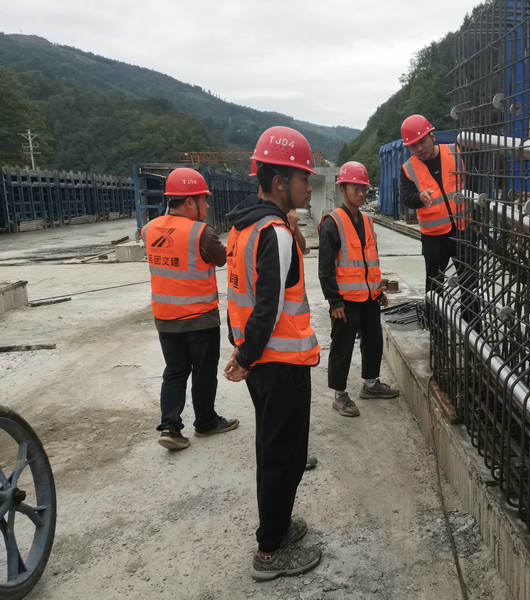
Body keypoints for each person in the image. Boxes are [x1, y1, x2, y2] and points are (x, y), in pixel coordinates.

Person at [223, 126, 322, 581]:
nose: (309, 186)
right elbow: (268, 306)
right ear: (280, 181)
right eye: (304, 177)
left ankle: (277, 526)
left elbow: (236, 297)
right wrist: (246, 356)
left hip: (263, 362)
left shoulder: (242, 226)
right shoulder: (276, 233)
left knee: (272, 449)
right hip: (279, 362)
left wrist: (243, 352)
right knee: (285, 455)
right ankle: (269, 551)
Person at [140, 167, 239, 451]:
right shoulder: (201, 233)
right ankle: (205, 422)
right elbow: (222, 258)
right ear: (189, 201)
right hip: (200, 319)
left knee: (174, 371)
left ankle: (170, 427)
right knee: (203, 372)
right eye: (203, 200)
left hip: (165, 319)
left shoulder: (149, 229)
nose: (207, 206)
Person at [318, 161, 399, 417]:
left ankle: (371, 384)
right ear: (342, 189)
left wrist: (378, 290)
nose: (361, 193)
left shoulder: (367, 221)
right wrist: (334, 301)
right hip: (345, 301)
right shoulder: (332, 223)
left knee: (373, 341)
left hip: (369, 297)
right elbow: (325, 269)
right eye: (356, 188)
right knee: (342, 347)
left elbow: (370, 262)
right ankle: (339, 395)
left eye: (364, 188)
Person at [399, 114, 480, 325]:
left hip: (463, 230)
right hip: (434, 238)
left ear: (432, 136)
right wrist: (419, 197)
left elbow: (474, 183)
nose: (418, 149)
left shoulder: (456, 152)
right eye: (413, 146)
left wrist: (477, 217)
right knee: (435, 286)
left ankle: (473, 329)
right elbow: (406, 198)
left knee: (470, 283)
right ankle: (437, 330)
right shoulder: (408, 169)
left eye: (421, 142)